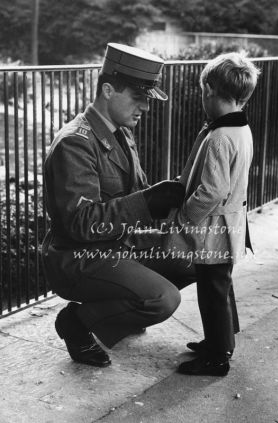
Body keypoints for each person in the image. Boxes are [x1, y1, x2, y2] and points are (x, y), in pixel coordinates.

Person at [41, 43, 188, 368]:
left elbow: (131, 195)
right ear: (108, 90)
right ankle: (77, 322)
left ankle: (123, 308)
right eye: (138, 97)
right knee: (163, 297)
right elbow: (80, 222)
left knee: (192, 257)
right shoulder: (75, 143)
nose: (145, 108)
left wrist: (167, 207)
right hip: (79, 258)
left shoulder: (119, 132)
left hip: (117, 246)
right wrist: (148, 202)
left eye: (146, 99)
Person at [162, 52, 260, 376]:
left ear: (209, 90)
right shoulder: (240, 130)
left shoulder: (219, 137)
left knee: (212, 292)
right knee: (221, 287)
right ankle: (222, 341)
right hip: (230, 224)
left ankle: (217, 359)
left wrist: (184, 218)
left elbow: (212, 190)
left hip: (214, 229)